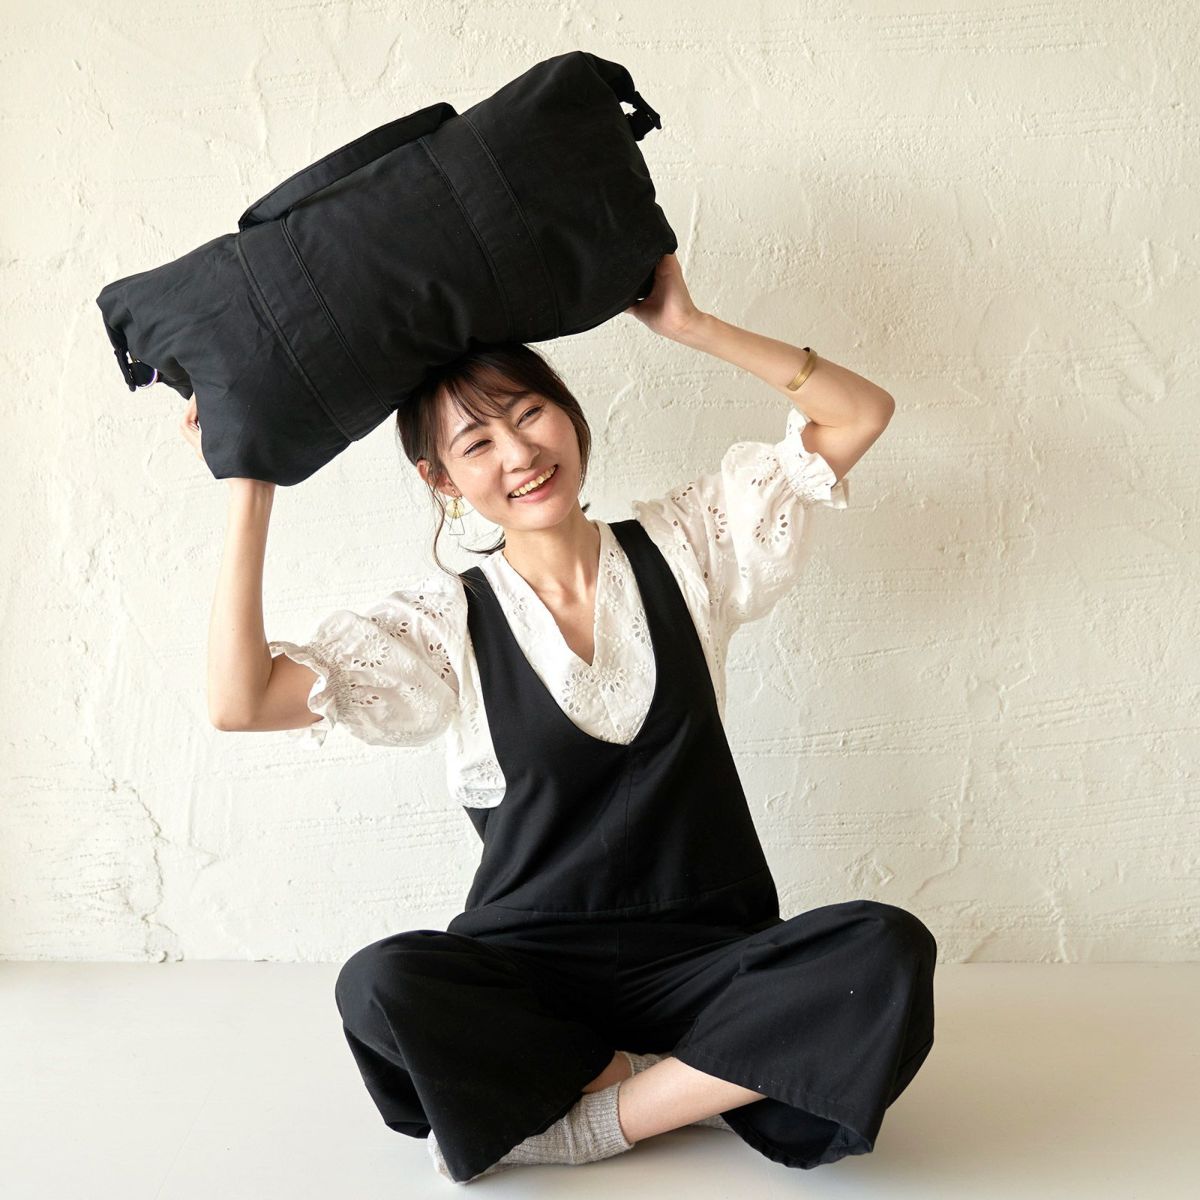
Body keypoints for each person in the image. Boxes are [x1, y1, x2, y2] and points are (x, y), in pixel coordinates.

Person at [192, 252, 935, 1184]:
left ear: (571, 417)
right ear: (441, 481)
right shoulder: (444, 626)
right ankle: (700, 1082)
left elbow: (858, 413)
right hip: (532, 981)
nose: (519, 455)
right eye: (476, 444)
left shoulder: (689, 547)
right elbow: (240, 702)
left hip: (711, 963)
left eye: (529, 414)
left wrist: (691, 324)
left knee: (885, 948)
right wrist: (249, 484)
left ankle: (594, 1117)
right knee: (378, 984)